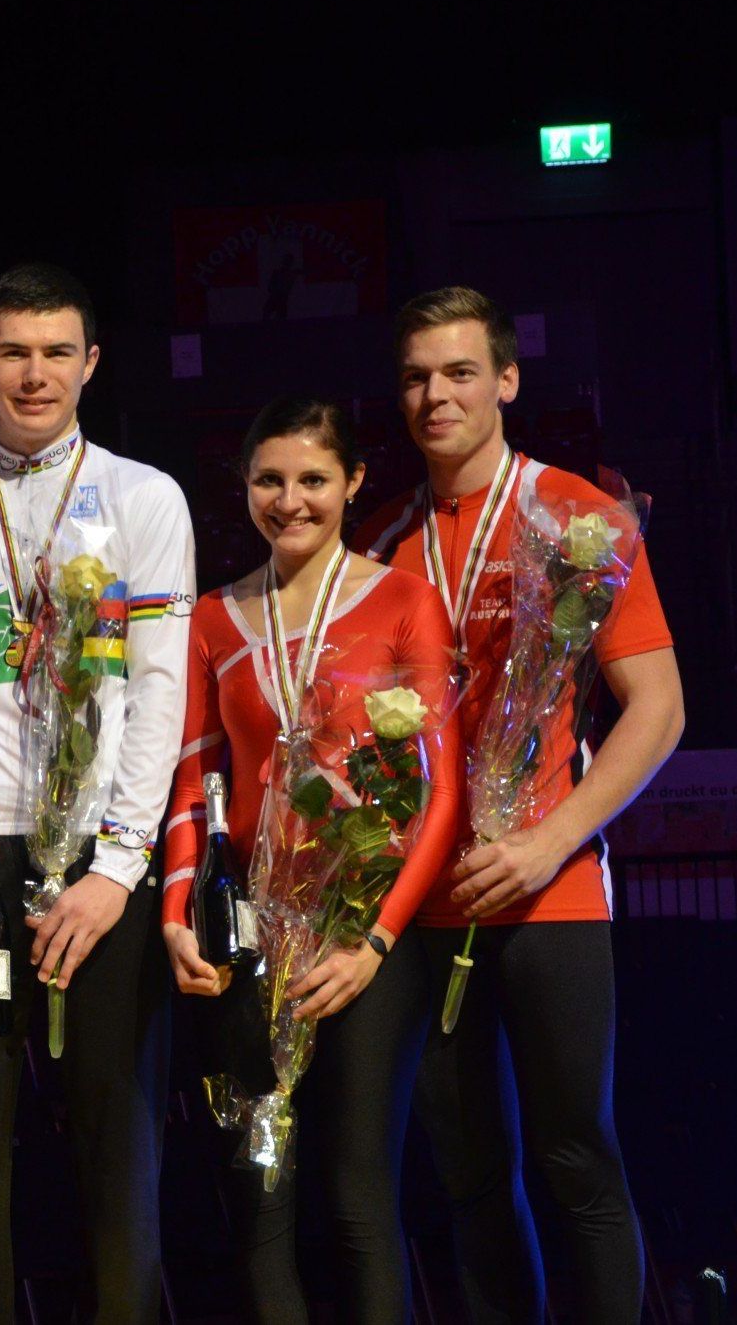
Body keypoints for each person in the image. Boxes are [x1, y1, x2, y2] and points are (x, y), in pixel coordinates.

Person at [356, 287, 684, 1323]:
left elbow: (658, 708)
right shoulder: (379, 542)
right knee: (466, 1176)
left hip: (548, 894)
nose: (433, 395)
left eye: (457, 373)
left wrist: (549, 838)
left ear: (504, 379)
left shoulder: (577, 517)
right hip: (426, 905)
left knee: (574, 1157)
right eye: (414, 377)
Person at [0, 262, 194, 1323]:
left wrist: (118, 868)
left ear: (91, 363)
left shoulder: (145, 498)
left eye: (56, 351)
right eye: (12, 351)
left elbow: (160, 694)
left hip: (100, 867)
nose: (34, 373)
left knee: (120, 1152)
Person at [160, 397, 463, 1323]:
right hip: (252, 939)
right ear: (244, 485)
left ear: (354, 484)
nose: (290, 501)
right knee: (259, 1197)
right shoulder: (214, 616)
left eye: (313, 481)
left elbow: (441, 796)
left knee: (355, 1190)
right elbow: (191, 780)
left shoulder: (405, 599)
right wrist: (177, 917)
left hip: (366, 937)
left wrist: (374, 940)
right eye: (269, 480)